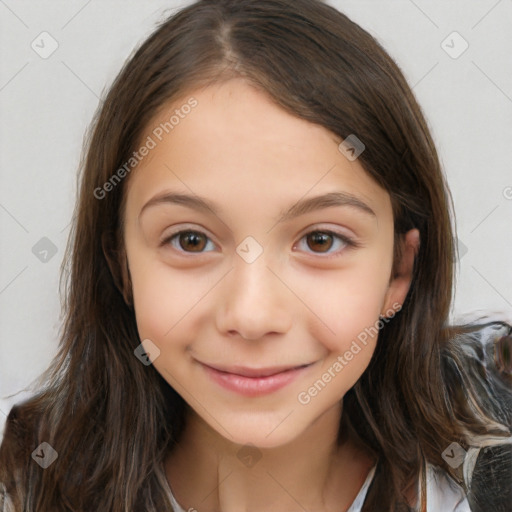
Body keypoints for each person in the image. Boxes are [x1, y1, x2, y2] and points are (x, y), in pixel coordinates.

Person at [1, 1, 511, 510]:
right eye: (191, 240)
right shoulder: (27, 482)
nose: (251, 315)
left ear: (399, 270)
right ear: (121, 265)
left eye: (320, 240)